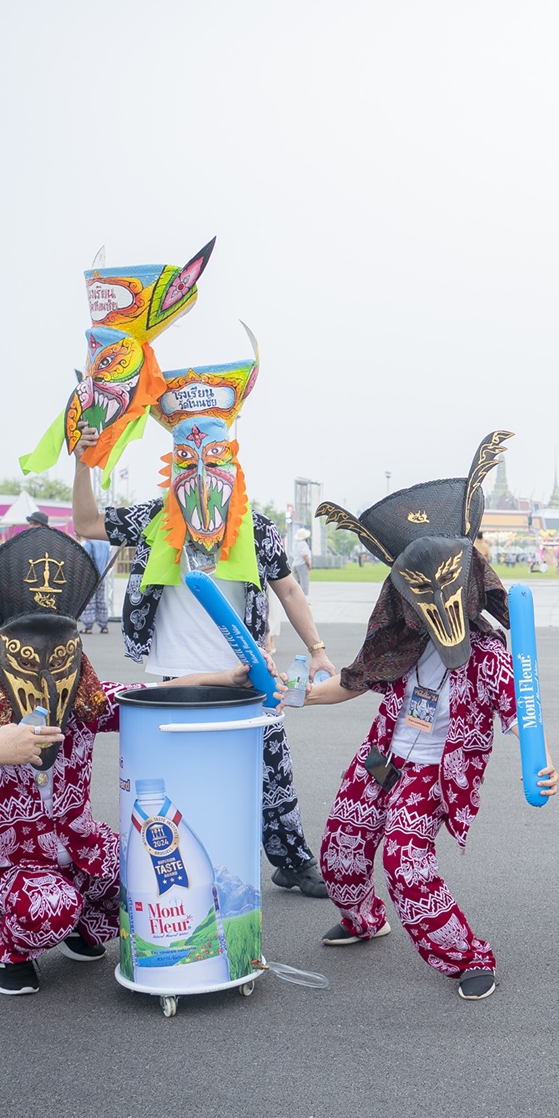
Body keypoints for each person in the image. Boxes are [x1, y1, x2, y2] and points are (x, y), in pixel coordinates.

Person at [0, 523, 251, 996]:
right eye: (32, 659)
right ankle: (9, 949)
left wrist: (225, 678)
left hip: (78, 847)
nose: (47, 676)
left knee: (147, 870)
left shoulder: (83, 704)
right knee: (52, 904)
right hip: (12, 869)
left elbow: (149, 694)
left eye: (60, 660)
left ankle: (80, 927)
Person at [71, 336, 332, 898]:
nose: (202, 472)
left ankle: (291, 861)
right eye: (188, 461)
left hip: (248, 670)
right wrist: (83, 462)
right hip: (178, 674)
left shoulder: (256, 528)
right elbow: (87, 524)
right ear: (172, 466)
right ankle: (188, 873)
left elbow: (289, 590)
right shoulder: (152, 519)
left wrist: (317, 650)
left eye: (215, 458)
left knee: (271, 770)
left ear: (233, 463)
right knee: (181, 778)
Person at [305, 432, 557, 1001]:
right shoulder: (401, 643)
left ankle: (468, 958)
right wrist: (294, 696)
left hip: (433, 775)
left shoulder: (489, 658)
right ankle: (363, 918)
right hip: (381, 759)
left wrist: (541, 765)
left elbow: (522, 713)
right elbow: (351, 683)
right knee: (341, 847)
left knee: (404, 859)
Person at [80, 534, 112, 634]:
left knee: (89, 602)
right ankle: (104, 626)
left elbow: (83, 561)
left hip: (90, 578)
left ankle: (88, 627)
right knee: (101, 601)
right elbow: (107, 561)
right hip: (102, 577)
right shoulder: (106, 545)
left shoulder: (89, 545)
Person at [291, 526, 313, 595]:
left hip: (295, 564)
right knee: (304, 582)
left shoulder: (295, 544)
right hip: (302, 564)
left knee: (296, 582)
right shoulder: (303, 544)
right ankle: (303, 597)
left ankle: (296, 596)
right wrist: (309, 564)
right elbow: (305, 555)